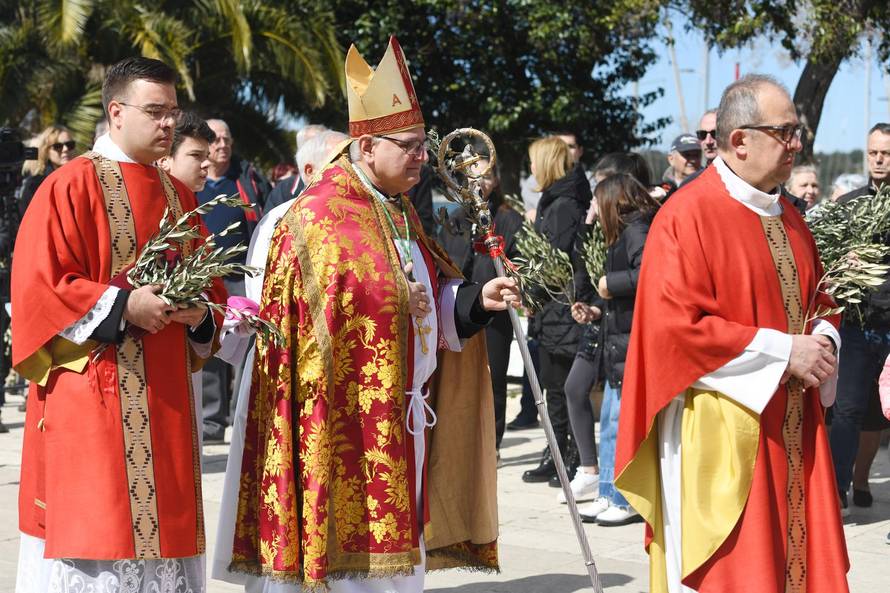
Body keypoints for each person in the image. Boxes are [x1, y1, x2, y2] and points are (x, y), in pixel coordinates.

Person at [223, 36, 518, 592]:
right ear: (366, 148)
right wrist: (393, 308)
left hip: (403, 418)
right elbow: (311, 331)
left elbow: (434, 305)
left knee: (398, 573)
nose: (422, 157)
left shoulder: (400, 212)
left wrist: (479, 300)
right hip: (342, 423)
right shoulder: (316, 220)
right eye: (408, 146)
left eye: (422, 145)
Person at [615, 74, 848, 593]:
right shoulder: (686, 216)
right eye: (784, 132)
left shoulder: (791, 216)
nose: (797, 144)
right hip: (720, 432)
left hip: (793, 428)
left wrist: (826, 342)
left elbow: (821, 301)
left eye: (797, 132)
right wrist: (787, 352)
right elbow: (675, 330)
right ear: (739, 139)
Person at [12, 56, 226, 593]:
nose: (168, 125)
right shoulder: (69, 185)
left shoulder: (178, 195)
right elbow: (41, 288)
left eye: (173, 112)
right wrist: (123, 307)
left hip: (168, 403)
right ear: (115, 112)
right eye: (155, 112)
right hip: (96, 395)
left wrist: (200, 313)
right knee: (102, 535)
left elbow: (213, 288)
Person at [211, 128, 349, 590]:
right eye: (338, 165)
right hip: (287, 369)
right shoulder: (282, 220)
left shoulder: (356, 217)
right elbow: (264, 299)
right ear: (309, 172)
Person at [560, 152, 654, 509]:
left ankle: (622, 499)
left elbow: (649, 274)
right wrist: (597, 309)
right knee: (611, 424)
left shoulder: (636, 231)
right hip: (616, 337)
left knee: (618, 422)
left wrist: (608, 283)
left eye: (597, 204)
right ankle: (607, 491)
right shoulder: (621, 235)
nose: (593, 211)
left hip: (629, 342)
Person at [438, 157, 523, 452]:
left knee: (494, 379)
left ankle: (492, 444)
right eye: (472, 178)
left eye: (485, 177)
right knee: (458, 380)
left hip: (495, 314)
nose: (479, 184)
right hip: (459, 311)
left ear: (496, 180)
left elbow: (518, 261)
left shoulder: (509, 219)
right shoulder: (455, 220)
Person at [521, 136, 592, 485]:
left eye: (534, 161)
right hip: (552, 308)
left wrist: (530, 295)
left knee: (564, 387)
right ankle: (557, 453)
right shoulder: (556, 200)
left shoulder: (564, 204)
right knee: (554, 386)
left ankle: (572, 456)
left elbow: (554, 260)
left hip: (562, 306)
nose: (530, 168)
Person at [829, 122, 890, 515]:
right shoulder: (849, 204)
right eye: (874, 153)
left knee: (877, 418)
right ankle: (836, 492)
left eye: (886, 153)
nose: (879, 160)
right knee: (847, 411)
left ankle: (864, 478)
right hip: (856, 326)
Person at [197, 118, 269, 443]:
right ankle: (212, 421)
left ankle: (241, 413)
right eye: (216, 139)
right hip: (207, 276)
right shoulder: (195, 182)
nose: (223, 144)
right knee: (211, 345)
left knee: (244, 345)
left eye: (227, 138)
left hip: (241, 276)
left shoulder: (245, 179)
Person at [263, 124, 329, 211]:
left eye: (326, 144)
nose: (324, 151)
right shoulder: (282, 192)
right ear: (300, 152)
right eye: (315, 145)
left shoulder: (345, 184)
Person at [20, 125, 78, 214]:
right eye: (58, 146)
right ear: (46, 151)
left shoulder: (82, 177)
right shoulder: (35, 185)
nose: (65, 149)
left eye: (70, 145)